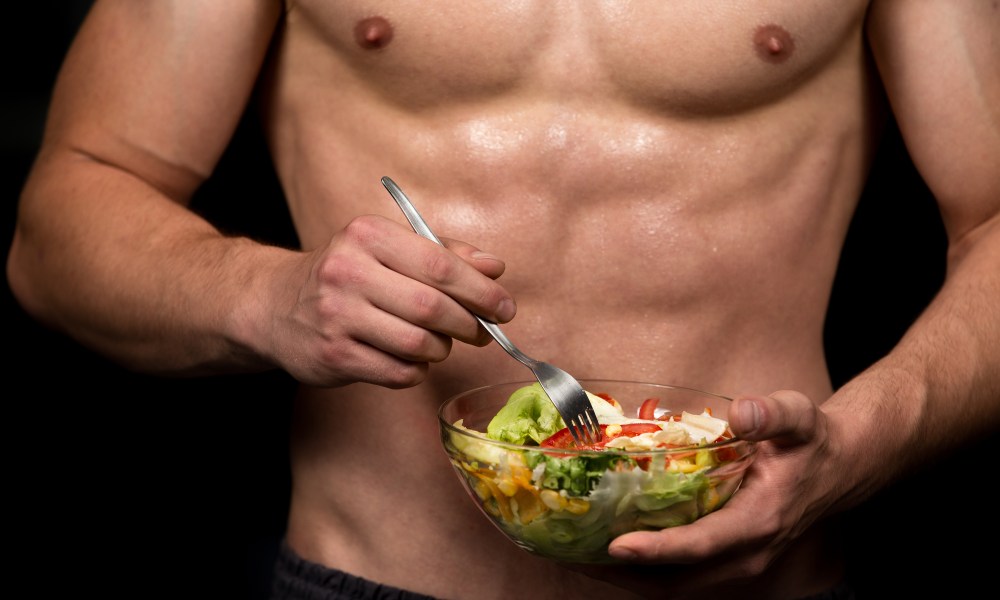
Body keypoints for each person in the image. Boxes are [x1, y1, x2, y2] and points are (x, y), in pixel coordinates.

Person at [6, 1, 999, 598]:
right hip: (379, 579)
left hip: (765, 583)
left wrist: (861, 449)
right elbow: (60, 223)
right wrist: (268, 293)